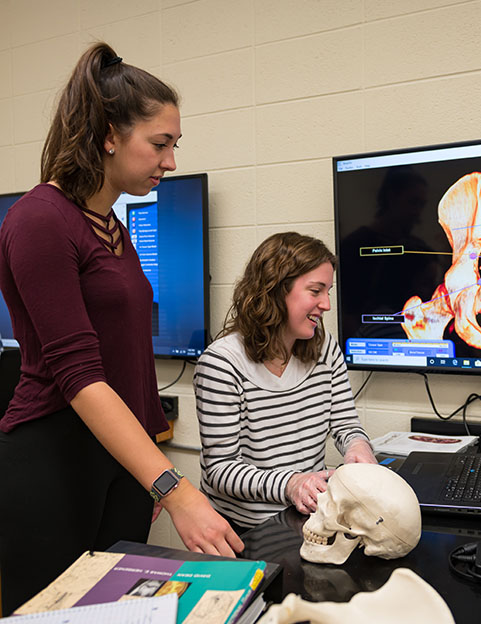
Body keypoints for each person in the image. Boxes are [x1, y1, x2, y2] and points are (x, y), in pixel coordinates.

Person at [0, 42, 243, 616]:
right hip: (55, 457)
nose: (171, 161)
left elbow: (129, 359)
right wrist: (173, 488)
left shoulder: (109, 224)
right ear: (109, 134)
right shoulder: (39, 219)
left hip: (118, 459)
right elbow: (81, 376)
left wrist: (150, 466)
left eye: (174, 145)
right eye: (160, 144)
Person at [194, 232, 377, 530]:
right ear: (276, 290)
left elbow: (345, 424)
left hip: (302, 517)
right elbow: (221, 470)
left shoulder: (325, 346)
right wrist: (290, 484)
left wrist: (358, 446)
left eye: (328, 291)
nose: (327, 304)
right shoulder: (222, 362)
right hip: (244, 528)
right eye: (316, 291)